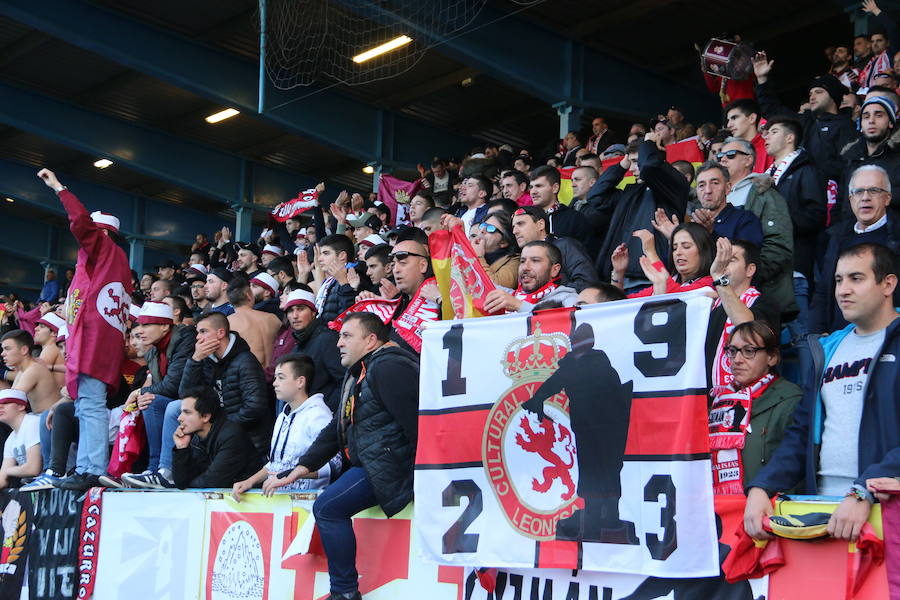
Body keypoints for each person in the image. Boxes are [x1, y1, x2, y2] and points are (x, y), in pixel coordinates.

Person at [744, 243, 899, 543]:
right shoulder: (826, 350)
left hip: (886, 513)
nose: (843, 290)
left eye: (857, 278)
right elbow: (802, 431)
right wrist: (762, 486)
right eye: (839, 280)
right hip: (823, 511)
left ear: (888, 284)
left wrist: (863, 490)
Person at [267, 313, 419, 600]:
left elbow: (416, 425)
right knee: (328, 507)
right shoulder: (358, 371)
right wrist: (302, 467)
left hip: (388, 466)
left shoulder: (390, 368)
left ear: (371, 340)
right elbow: (336, 429)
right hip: (372, 464)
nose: (338, 343)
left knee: (327, 508)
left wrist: (423, 476)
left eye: (347, 336)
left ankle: (344, 592)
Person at [36, 169, 132, 491]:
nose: (81, 242)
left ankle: (92, 470)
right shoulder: (114, 263)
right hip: (98, 344)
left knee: (90, 406)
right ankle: (88, 468)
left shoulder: (104, 250)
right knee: (87, 405)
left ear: (101, 234)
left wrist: (60, 188)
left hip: (94, 343)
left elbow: (80, 223)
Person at [523, 322, 636, 543]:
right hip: (597, 429)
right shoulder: (593, 364)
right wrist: (536, 400)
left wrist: (536, 400)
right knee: (604, 472)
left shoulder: (581, 365)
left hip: (602, 429)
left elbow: (552, 385)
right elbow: (552, 385)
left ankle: (603, 521)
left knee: (601, 472)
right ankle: (602, 520)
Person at [709, 321, 802, 493]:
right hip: (721, 509)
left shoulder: (791, 399)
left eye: (749, 351)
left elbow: (795, 464)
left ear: (772, 357)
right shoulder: (718, 400)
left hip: (768, 511)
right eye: (732, 351)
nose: (737, 360)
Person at [588, 137, 690, 292]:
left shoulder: (674, 188)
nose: (632, 169)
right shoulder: (630, 192)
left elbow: (649, 168)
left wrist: (649, 145)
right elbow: (595, 196)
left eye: (636, 161)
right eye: (631, 162)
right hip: (620, 279)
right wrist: (622, 165)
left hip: (655, 280)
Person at [232, 354, 338, 500]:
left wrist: (293, 475)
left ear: (300, 382)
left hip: (307, 505)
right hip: (280, 503)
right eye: (275, 378)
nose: (274, 383)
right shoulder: (283, 416)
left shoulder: (318, 415)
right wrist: (249, 482)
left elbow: (335, 464)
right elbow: (276, 465)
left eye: (281, 377)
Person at [811, 165, 900, 333]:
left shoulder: (896, 236)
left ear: (887, 198)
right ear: (850, 199)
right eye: (858, 192)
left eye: (874, 190)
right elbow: (823, 290)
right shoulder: (836, 238)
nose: (865, 197)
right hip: (838, 342)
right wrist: (817, 335)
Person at [719, 137, 798, 321]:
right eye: (720, 155)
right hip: (721, 294)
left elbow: (779, 245)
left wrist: (749, 277)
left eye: (730, 155)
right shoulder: (710, 197)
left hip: (759, 296)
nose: (723, 159)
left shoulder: (764, 193)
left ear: (748, 160)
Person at [753, 54, 858, 190]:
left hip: (831, 196)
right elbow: (772, 110)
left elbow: (848, 168)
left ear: (833, 97)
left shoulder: (845, 125)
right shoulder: (804, 121)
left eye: (818, 92)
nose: (812, 97)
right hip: (802, 191)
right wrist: (762, 80)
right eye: (810, 94)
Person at [121, 301, 196, 487]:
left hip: (199, 399)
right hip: (178, 400)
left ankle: (164, 471)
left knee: (154, 400)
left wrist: (139, 392)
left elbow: (172, 386)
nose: (140, 330)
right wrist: (142, 394)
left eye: (147, 325)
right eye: (140, 325)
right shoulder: (154, 349)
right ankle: (152, 469)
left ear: (164, 326)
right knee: (149, 401)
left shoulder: (184, 340)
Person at [178, 311, 271, 458]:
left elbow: (254, 407)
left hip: (247, 439)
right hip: (218, 434)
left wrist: (219, 428)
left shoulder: (245, 361)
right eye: (197, 332)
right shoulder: (206, 360)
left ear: (221, 333)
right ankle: (166, 471)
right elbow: (185, 395)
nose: (197, 338)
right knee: (176, 412)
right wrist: (195, 360)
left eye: (203, 331)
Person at [705, 239, 781, 389]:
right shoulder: (710, 305)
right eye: (722, 259)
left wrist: (719, 277)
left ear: (750, 269)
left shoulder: (765, 302)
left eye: (731, 259)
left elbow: (746, 326)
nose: (723, 264)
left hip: (756, 400)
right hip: (710, 401)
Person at [171, 386, 263, 489]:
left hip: (251, 499)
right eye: (181, 412)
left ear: (205, 416)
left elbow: (212, 482)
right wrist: (181, 448)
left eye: (187, 412)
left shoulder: (231, 436)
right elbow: (181, 482)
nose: (179, 418)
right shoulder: (193, 438)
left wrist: (187, 487)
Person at [838, 96, 900, 222]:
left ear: (890, 122)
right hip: (850, 236)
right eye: (866, 116)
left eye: (878, 115)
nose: (871, 121)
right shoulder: (851, 159)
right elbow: (841, 202)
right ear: (860, 124)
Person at [281, 289, 344, 410]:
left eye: (300, 309)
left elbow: (344, 380)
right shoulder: (297, 345)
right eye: (290, 310)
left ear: (313, 312)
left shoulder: (327, 339)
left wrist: (325, 410)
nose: (295, 316)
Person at [612, 223, 714, 298]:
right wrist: (618, 273)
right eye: (674, 248)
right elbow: (623, 303)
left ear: (704, 251)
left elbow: (674, 297)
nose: (678, 252)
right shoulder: (673, 280)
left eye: (686, 246)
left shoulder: (710, 283)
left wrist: (651, 252)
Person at [511, 206, 598, 292]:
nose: (515, 231)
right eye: (513, 227)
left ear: (541, 224)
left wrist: (548, 293)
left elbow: (588, 283)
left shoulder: (566, 246)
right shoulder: (523, 256)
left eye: (520, 224)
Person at [483, 241, 578, 313]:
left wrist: (519, 306)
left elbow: (564, 324)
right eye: (522, 261)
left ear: (554, 270)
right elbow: (479, 284)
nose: (525, 267)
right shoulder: (509, 296)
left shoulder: (568, 298)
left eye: (535, 261)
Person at [226, 277, 282, 371]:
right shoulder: (272, 318)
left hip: (250, 377)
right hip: (275, 375)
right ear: (248, 295)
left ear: (229, 301)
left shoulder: (228, 323)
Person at [314, 234, 366, 323]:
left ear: (342, 255)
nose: (320, 259)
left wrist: (345, 284)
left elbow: (353, 316)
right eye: (320, 254)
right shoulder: (331, 281)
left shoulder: (355, 276)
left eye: (326, 253)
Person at [0, 389, 42, 489]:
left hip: (61, 481)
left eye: (6, 402)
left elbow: (33, 468)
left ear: (21, 406)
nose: (0, 406)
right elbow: (2, 479)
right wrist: (6, 471)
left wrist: (8, 470)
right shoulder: (11, 438)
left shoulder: (32, 423)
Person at [858, 0, 900, 89]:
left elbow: (892, 28)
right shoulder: (870, 62)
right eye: (872, 41)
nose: (875, 44)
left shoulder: (891, 53)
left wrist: (875, 10)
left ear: (888, 43)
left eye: (879, 41)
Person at [471, 211, 519, 289]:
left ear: (504, 242)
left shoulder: (514, 262)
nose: (482, 230)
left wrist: (479, 257)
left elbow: (494, 288)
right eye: (483, 225)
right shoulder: (469, 253)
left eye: (490, 228)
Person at [724, 99, 773, 174]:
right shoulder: (728, 150)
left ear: (752, 118)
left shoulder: (770, 146)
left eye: (734, 118)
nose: (729, 125)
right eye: (728, 120)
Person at [33, 312, 66, 388]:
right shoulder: (52, 347)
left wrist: (5, 373)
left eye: (41, 327)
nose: (36, 328)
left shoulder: (51, 348)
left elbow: (32, 374)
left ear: (54, 333)